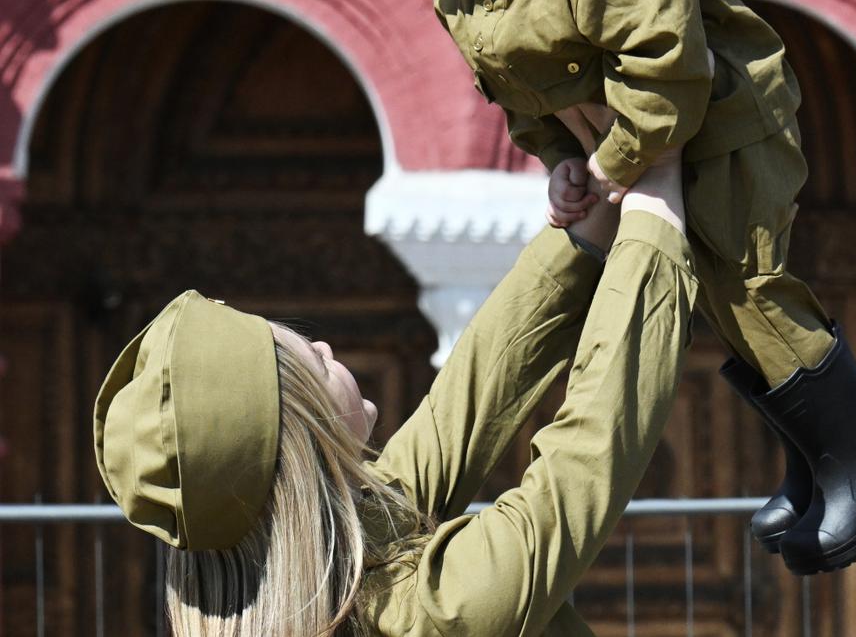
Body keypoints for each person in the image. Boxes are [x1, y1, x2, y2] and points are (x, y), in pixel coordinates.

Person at [347, 0, 856, 576]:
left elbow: (668, 72)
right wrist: (563, 164)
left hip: (726, 130)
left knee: (745, 283)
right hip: (634, 152)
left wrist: (616, 157)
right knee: (718, 297)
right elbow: (521, 92)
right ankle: (818, 459)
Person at [95, 165, 697, 636]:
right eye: (312, 353)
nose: (329, 346)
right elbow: (587, 454)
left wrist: (581, 231)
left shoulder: (352, 540)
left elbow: (474, 390)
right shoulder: (436, 614)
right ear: (303, 429)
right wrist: (653, 219)